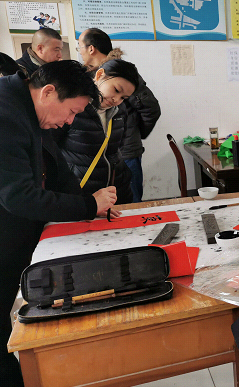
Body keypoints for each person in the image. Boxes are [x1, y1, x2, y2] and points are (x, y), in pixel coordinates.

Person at [0, 60, 118, 386]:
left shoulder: (26, 107)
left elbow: (56, 169)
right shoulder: (6, 113)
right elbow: (19, 196)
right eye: (70, 112)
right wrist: (87, 204)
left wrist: (88, 205)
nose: (69, 121)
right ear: (49, 92)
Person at [78, 28, 161, 202]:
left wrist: (134, 134)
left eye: (80, 46)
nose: (116, 100)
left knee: (130, 203)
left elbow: (151, 109)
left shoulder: (123, 75)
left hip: (124, 153)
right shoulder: (88, 77)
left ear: (91, 48)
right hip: (98, 157)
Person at [52, 59, 140, 204]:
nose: (116, 100)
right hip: (78, 192)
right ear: (99, 75)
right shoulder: (73, 107)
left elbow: (117, 148)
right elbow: (51, 148)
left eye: (123, 98)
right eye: (116, 90)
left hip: (114, 191)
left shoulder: (120, 111)